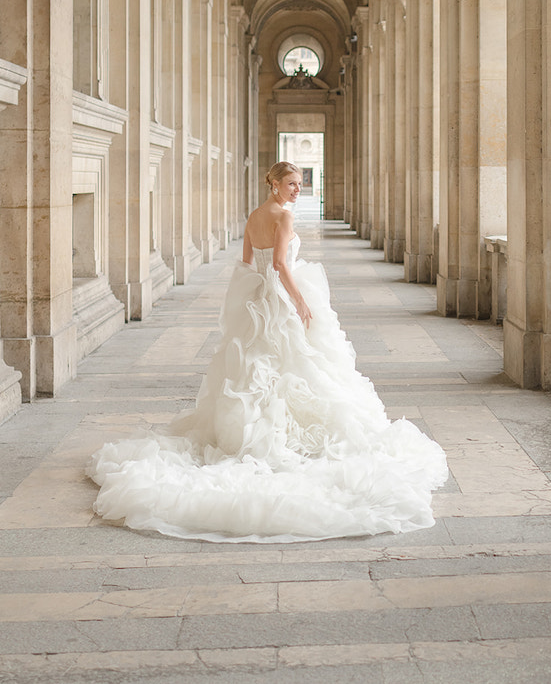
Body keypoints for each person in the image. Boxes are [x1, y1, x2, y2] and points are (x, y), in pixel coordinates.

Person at [87, 162, 448, 543]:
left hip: (256, 300)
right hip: (278, 298)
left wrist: (254, 299)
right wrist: (299, 301)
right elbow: (279, 263)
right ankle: (282, 438)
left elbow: (246, 263)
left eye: (298, 183)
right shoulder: (283, 217)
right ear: (274, 184)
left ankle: (249, 432)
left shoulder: (255, 216)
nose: (297, 189)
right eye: (291, 183)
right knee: (295, 364)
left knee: (258, 366)